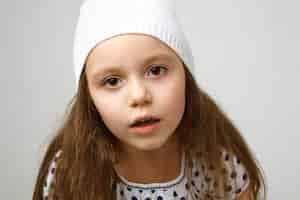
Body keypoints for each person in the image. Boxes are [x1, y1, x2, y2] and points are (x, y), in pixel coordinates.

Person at [32, 0, 267, 199]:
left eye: (156, 71)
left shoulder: (218, 165)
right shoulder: (68, 172)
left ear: (186, 76)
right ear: (90, 98)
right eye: (112, 81)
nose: (139, 96)